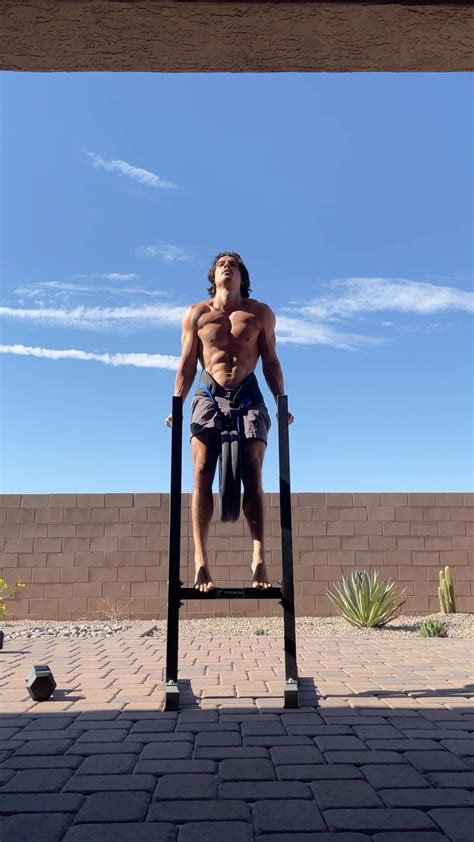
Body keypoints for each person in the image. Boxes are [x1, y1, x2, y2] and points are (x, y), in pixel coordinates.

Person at [165, 251, 294, 593]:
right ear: (213, 276)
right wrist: (177, 404)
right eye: (221, 264)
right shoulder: (197, 314)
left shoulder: (259, 313)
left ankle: (258, 557)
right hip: (209, 393)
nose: (226, 267)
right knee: (201, 470)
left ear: (241, 276)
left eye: (233, 264)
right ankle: (201, 561)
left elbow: (271, 361)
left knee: (253, 470)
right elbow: (187, 363)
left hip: (248, 393)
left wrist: (281, 402)